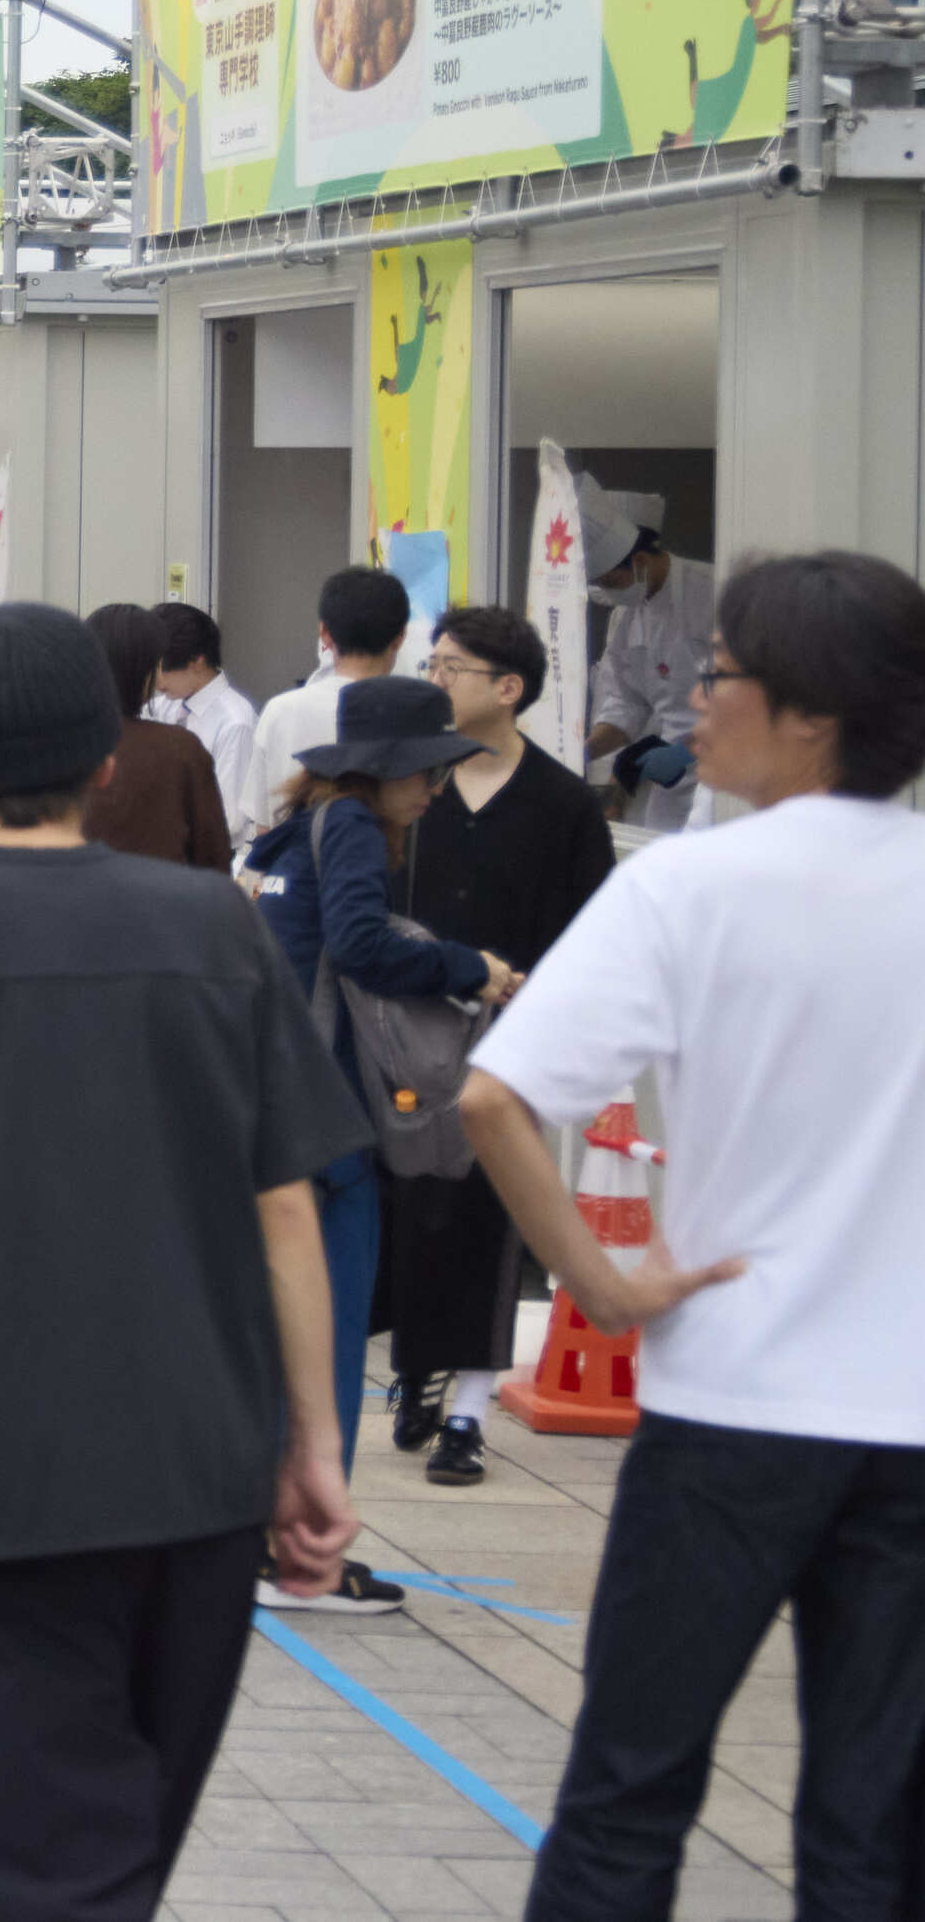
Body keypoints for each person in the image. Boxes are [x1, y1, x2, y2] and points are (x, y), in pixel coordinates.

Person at [0, 600, 368, 1922]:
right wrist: (313, 1439)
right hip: (203, 1459)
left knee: (39, 1857)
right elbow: (285, 1207)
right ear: (107, 756)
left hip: (4, 1457)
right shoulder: (214, 928)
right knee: (124, 1846)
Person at [461, 552, 925, 1922]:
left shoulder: (690, 886)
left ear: (813, 713)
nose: (694, 703)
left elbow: (495, 1097)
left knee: (629, 1793)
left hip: (730, 1406)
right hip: (910, 1425)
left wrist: (597, 1281)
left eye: (720, 676)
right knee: (875, 1832)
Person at [243, 672, 513, 1616]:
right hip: (327, 1132)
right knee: (326, 1348)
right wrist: (469, 967)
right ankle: (303, 1557)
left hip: (264, 1113)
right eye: (427, 772)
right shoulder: (353, 827)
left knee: (274, 1345)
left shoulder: (289, 832)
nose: (435, 789)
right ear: (383, 770)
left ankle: (260, 1542)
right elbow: (361, 943)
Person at [390, 604, 612, 1483]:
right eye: (433, 664)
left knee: (491, 1215)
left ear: (508, 688)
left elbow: (591, 934)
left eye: (451, 668)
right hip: (408, 1040)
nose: (435, 680)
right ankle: (417, 1370)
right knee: (414, 1209)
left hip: (511, 1045)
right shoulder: (412, 789)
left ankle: (468, 1417)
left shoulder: (564, 804)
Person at [576, 474, 717, 830]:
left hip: (722, 764)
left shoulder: (712, 592)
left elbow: (749, 697)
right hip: (669, 778)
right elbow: (626, 702)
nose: (610, 593)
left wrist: (685, 752)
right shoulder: (628, 614)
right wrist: (584, 751)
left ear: (640, 560)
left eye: (611, 582)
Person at [241, 564, 407, 829]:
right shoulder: (412, 713)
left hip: (293, 854)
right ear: (400, 637)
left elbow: (264, 826)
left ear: (325, 635)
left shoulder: (280, 711)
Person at [82, 601, 232, 869]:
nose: (159, 679)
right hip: (166, 890)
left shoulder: (58, 744)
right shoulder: (180, 749)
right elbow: (213, 856)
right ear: (141, 671)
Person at [147, 601, 261, 833]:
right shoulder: (164, 705)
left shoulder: (235, 722)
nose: (156, 680)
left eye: (161, 668)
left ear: (197, 662)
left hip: (210, 849)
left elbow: (229, 819)